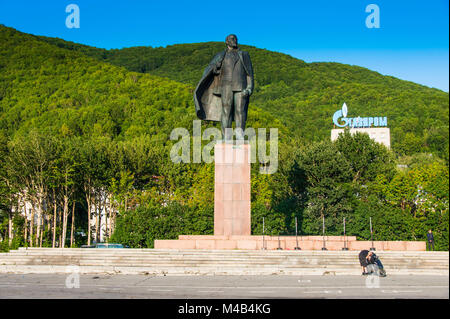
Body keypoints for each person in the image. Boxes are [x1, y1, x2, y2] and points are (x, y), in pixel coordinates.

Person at [194, 34, 254, 140]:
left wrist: (249, 88)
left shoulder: (244, 54)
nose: (234, 40)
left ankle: (240, 136)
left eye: (235, 39)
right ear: (226, 42)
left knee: (240, 111)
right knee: (226, 112)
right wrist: (215, 68)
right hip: (225, 86)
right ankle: (226, 137)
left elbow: (249, 74)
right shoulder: (221, 55)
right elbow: (209, 69)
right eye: (231, 39)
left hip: (241, 86)